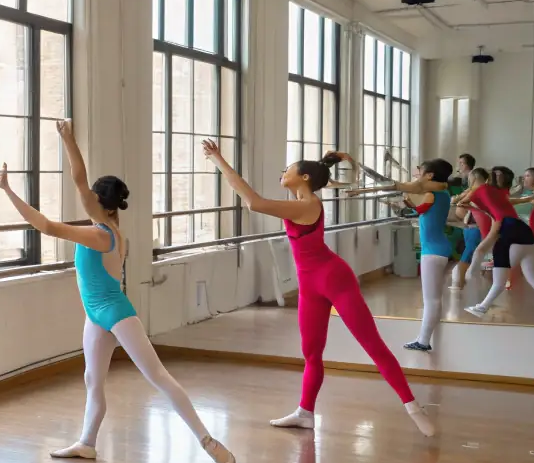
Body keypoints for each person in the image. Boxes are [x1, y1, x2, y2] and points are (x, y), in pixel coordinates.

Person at [0, 120, 236, 463]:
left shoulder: (100, 235)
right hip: (96, 315)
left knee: (158, 376)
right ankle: (87, 443)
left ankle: (207, 440)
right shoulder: (110, 231)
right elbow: (79, 180)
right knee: (94, 380)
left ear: (102, 204)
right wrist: (68, 140)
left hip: (116, 312)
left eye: (90, 195)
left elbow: (46, 224)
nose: (84, 197)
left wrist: (10, 189)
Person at [205, 142, 436, 437]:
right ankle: (305, 412)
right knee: (311, 353)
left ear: (303, 178)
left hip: (334, 278)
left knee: (372, 345)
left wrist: (219, 160)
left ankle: (413, 406)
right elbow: (260, 202)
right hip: (309, 286)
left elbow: (254, 203)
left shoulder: (308, 204)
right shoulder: (299, 202)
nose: (282, 172)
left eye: (287, 169)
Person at [355, 159, 453, 353]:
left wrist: (394, 186)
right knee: (435, 298)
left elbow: (417, 188)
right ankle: (428, 331)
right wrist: (405, 201)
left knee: (431, 300)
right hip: (439, 249)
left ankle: (423, 341)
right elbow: (421, 209)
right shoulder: (441, 193)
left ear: (430, 175)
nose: (417, 174)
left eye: (421, 171)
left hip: (433, 252)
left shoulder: (433, 192)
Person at [457, 167, 534, 322]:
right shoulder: (500, 192)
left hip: (507, 228)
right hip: (524, 231)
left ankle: (482, 306)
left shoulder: (479, 189)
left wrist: (464, 199)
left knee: (499, 280)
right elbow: (499, 206)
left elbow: (460, 203)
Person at [450, 167, 493, 289]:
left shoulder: (474, 192)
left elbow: (459, 210)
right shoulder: (488, 191)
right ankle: (462, 279)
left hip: (475, 227)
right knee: (475, 253)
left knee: (470, 253)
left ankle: (460, 281)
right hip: (481, 226)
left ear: (473, 178)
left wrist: (459, 199)